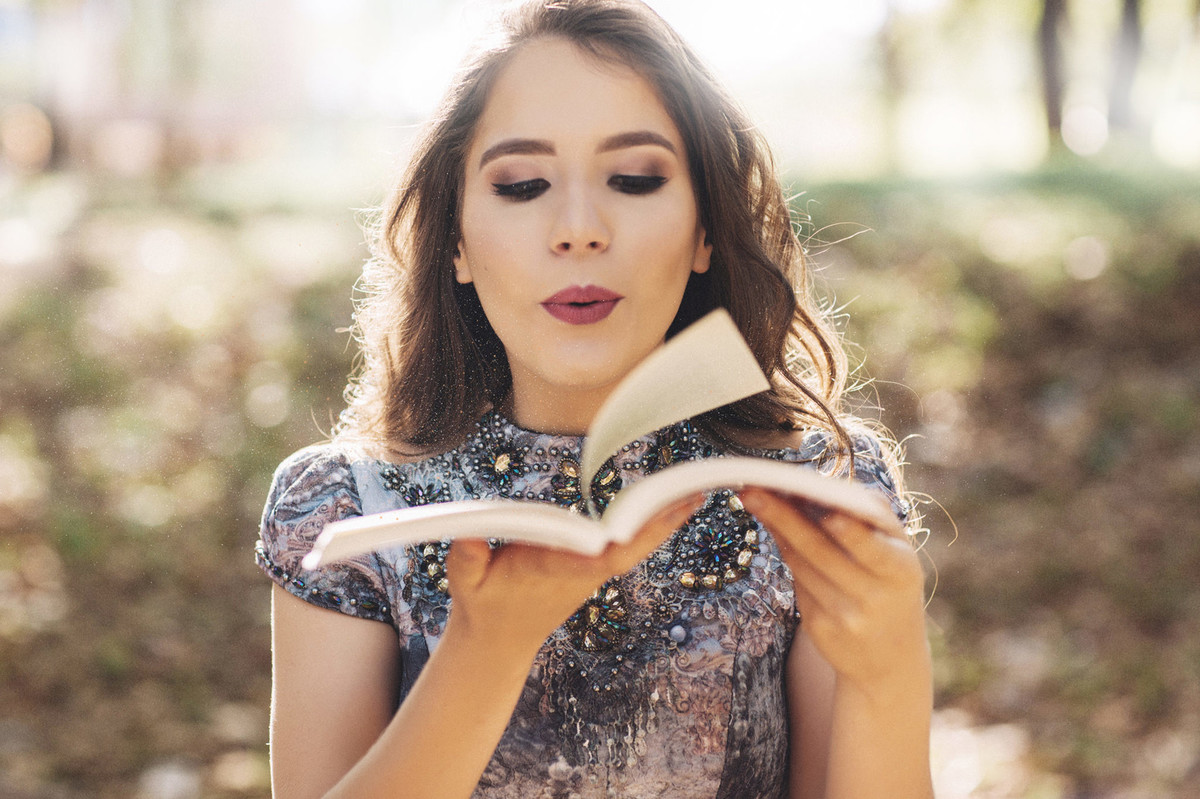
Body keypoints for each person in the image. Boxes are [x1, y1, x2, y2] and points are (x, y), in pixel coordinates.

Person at [256, 1, 934, 797]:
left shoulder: (819, 491)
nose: (579, 229)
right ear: (457, 243)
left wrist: (891, 674)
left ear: (706, 228)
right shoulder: (344, 509)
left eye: (635, 179)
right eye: (523, 184)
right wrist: (485, 652)